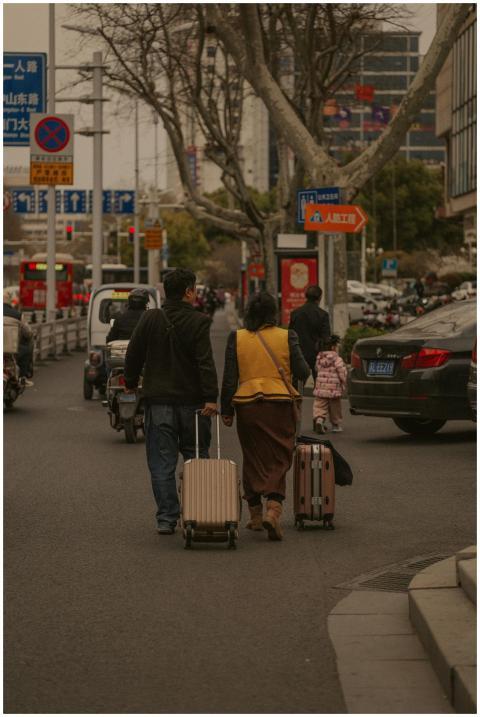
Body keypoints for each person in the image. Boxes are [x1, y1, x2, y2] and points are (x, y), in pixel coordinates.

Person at [124, 269, 218, 535]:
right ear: (188, 292)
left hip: (159, 403)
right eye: (194, 288)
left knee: (161, 464)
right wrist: (211, 397)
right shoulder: (199, 321)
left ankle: (166, 518)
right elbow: (205, 363)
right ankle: (199, 512)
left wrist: (131, 381)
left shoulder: (150, 318)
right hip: (195, 405)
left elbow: (133, 353)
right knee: (197, 460)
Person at [221, 292, 310, 541]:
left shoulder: (236, 338)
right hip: (280, 405)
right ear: (274, 313)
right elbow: (303, 370)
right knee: (280, 457)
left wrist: (226, 411)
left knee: (253, 456)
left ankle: (256, 516)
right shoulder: (287, 336)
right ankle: (274, 508)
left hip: (247, 405)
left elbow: (230, 378)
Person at [288, 285, 331, 380]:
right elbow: (326, 338)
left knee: (298, 385)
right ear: (320, 297)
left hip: (299, 354)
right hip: (317, 355)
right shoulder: (323, 315)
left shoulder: (295, 313)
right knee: (320, 383)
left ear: (306, 296)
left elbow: (290, 334)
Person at [313, 335, 347, 434]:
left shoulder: (319, 357)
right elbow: (342, 372)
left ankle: (319, 420)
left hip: (320, 388)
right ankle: (335, 425)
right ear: (333, 347)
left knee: (320, 406)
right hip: (334, 389)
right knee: (335, 408)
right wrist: (344, 381)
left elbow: (316, 369)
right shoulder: (337, 359)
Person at [3, 290, 34, 384]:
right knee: (27, 348)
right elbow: (28, 333)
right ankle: (23, 376)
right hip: (12, 349)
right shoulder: (18, 315)